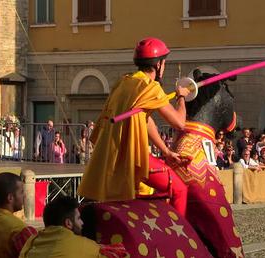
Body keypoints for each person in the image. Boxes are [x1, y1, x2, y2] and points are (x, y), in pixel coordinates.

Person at [78, 38, 190, 216]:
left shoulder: (124, 82)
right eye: (165, 62)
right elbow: (179, 123)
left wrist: (166, 151)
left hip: (111, 154)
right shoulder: (150, 88)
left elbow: (144, 119)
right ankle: (179, 237)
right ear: (159, 64)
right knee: (180, 190)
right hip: (132, 157)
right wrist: (181, 96)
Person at [19, 196, 127, 258]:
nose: (82, 223)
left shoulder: (31, 241)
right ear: (68, 223)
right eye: (79, 218)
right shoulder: (83, 245)